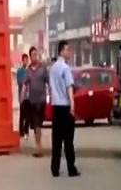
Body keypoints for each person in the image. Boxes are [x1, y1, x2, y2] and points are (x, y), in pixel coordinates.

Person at [49, 41, 80, 177]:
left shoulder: (52, 68)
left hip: (55, 107)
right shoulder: (65, 68)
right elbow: (69, 88)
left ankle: (54, 168)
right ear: (61, 52)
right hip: (65, 106)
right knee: (68, 140)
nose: (69, 52)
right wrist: (72, 106)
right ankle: (71, 169)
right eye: (67, 50)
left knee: (56, 140)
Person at [22, 47, 49, 157]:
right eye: (33, 55)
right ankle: (39, 147)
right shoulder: (28, 70)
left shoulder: (43, 68)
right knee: (36, 124)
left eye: (36, 54)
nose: (35, 56)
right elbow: (24, 85)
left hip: (42, 100)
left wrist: (52, 96)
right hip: (32, 101)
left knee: (39, 124)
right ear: (30, 56)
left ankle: (39, 146)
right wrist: (22, 97)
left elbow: (49, 83)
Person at [17, 53, 29, 138]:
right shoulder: (20, 71)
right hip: (22, 96)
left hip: (29, 97)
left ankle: (26, 130)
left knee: (28, 115)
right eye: (24, 60)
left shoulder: (29, 71)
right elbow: (20, 82)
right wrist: (26, 83)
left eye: (27, 60)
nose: (26, 61)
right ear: (22, 61)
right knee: (22, 115)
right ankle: (21, 132)